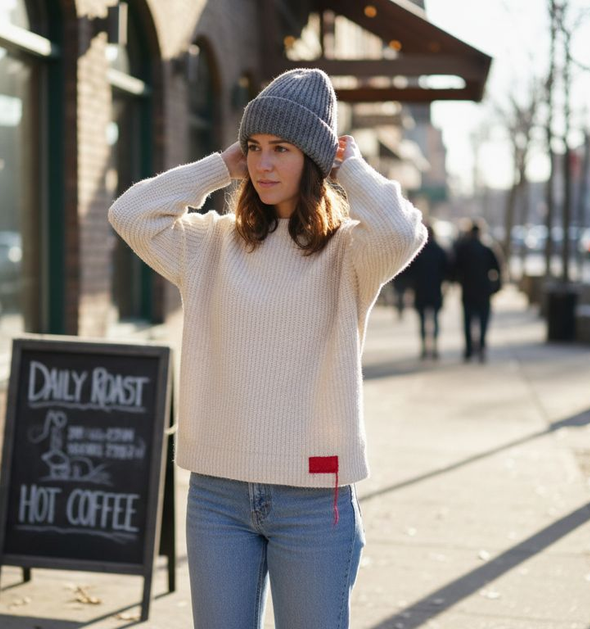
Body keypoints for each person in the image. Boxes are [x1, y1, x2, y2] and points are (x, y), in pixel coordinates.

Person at [109, 68, 427, 628]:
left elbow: (404, 232)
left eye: (281, 148)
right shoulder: (209, 244)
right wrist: (219, 165)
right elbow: (129, 214)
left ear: (312, 158)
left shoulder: (350, 253)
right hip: (217, 496)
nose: (262, 163)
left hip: (313, 499)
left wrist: (348, 166)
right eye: (254, 147)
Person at [453, 220, 501, 363]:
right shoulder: (488, 248)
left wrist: (458, 282)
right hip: (484, 292)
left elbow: (455, 269)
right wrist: (496, 287)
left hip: (468, 291)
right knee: (483, 322)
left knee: (468, 322)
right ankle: (481, 347)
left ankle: (468, 349)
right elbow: (498, 269)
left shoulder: (462, 249)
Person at [405, 224, 449, 359]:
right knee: (435, 320)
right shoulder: (440, 250)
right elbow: (447, 271)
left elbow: (410, 272)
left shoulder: (417, 251)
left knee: (422, 321)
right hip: (435, 290)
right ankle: (435, 347)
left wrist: (410, 289)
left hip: (420, 290)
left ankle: (424, 348)